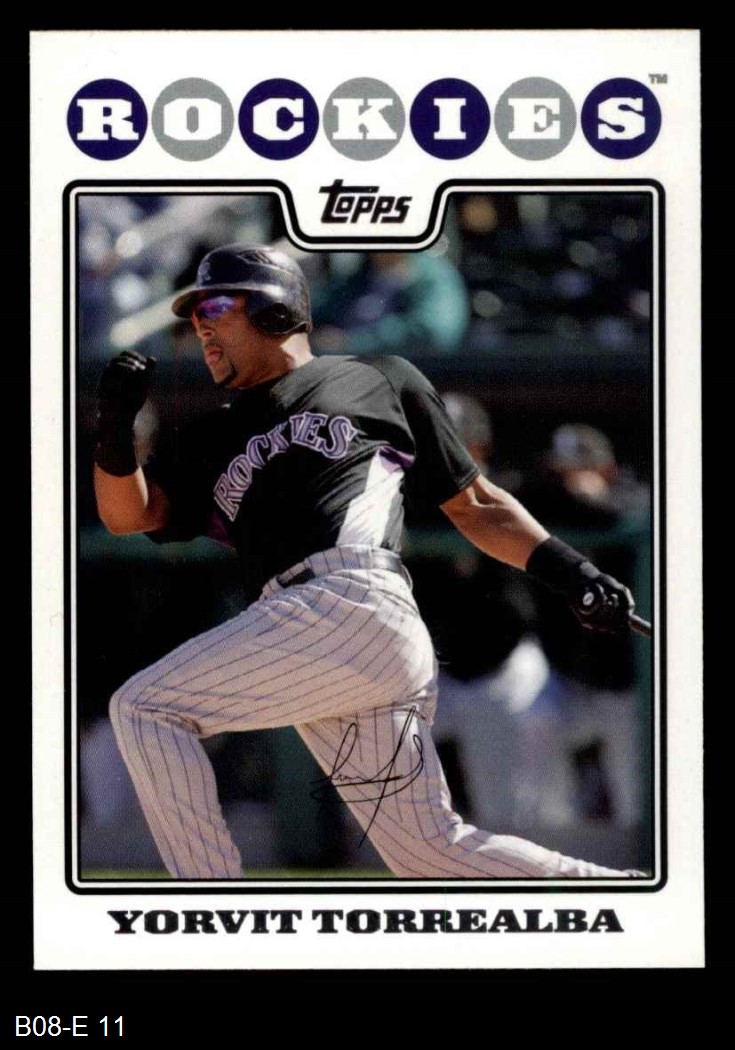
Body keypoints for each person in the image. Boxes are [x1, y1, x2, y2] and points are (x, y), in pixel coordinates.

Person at [93, 242, 643, 880]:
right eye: (194, 317)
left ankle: (214, 911)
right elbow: (130, 517)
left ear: (275, 309)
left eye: (216, 307)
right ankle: (618, 895)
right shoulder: (211, 437)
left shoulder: (377, 377)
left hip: (351, 598)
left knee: (146, 709)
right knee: (429, 851)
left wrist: (572, 571)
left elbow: (477, 505)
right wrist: (115, 433)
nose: (202, 328)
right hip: (321, 635)